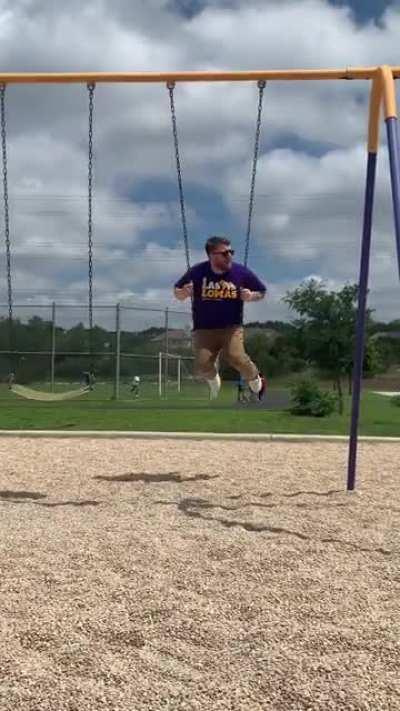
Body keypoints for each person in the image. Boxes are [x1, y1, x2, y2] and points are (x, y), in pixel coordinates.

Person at [174, 235, 266, 399]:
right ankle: (213, 379)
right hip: (204, 329)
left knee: (236, 357)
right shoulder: (197, 271)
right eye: (224, 253)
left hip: (231, 327)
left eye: (231, 252)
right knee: (202, 365)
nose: (229, 256)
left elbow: (262, 291)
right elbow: (177, 291)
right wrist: (182, 293)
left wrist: (251, 296)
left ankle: (254, 377)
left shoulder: (240, 272)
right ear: (211, 255)